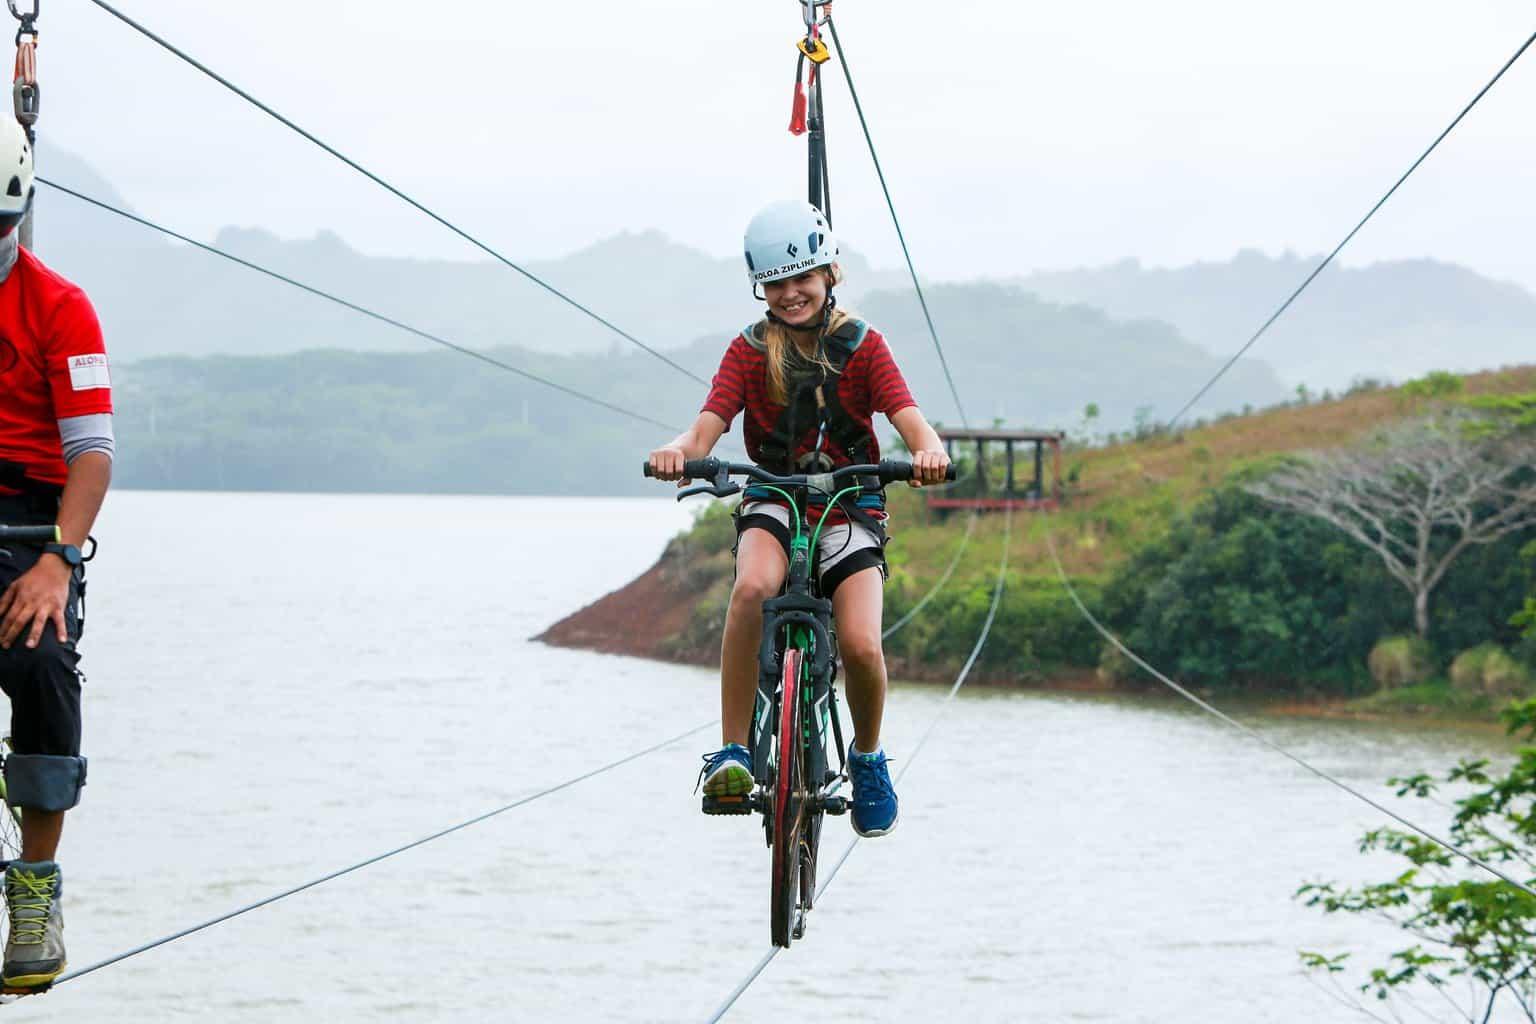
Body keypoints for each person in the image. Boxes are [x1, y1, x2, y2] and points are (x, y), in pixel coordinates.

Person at [648, 199, 949, 837]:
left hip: (850, 503)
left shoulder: (865, 347)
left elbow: (908, 417)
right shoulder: (748, 352)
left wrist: (928, 451)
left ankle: (867, 758)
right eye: (776, 284)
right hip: (775, 495)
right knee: (752, 588)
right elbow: (706, 428)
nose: (791, 294)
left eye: (803, 278)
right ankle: (732, 751)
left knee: (863, 644)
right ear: (761, 288)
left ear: (830, 272)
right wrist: (680, 453)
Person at [0, 118, 113, 992]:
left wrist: (59, 560)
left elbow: (91, 453)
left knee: (42, 668)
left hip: (29, 525)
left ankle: (34, 889)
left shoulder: (58, 307)